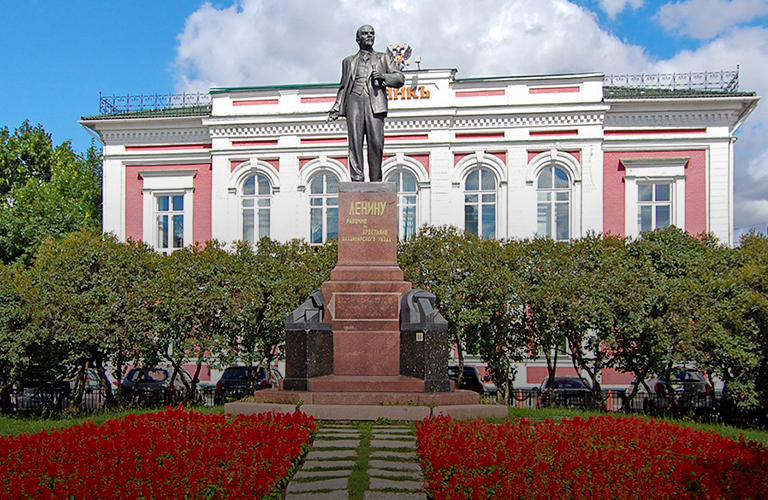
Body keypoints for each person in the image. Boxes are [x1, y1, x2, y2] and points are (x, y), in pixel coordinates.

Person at [328, 25, 405, 182]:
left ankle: (376, 180)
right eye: (365, 33)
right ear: (358, 39)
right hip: (354, 100)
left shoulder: (384, 58)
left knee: (376, 142)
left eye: (372, 33)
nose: (369, 36)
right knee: (355, 142)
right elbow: (343, 87)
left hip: (375, 102)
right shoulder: (348, 62)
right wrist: (337, 107)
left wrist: (383, 77)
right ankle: (357, 179)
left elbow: (399, 78)